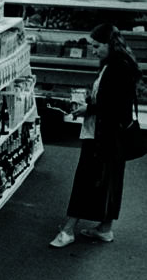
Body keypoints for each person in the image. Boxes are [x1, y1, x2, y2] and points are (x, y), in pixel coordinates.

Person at [49, 23, 142, 248]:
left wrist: (88, 109)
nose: (93, 50)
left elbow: (114, 106)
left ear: (110, 44)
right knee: (110, 180)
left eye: (97, 46)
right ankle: (105, 228)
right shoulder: (116, 63)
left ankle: (68, 230)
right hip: (112, 135)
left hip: (104, 136)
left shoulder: (118, 68)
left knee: (85, 180)